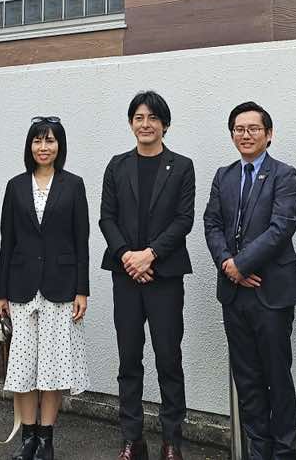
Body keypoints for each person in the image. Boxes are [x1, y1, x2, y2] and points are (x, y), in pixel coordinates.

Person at [202, 102, 296, 460]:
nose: (245, 135)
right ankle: (258, 453)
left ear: (269, 134)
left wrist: (241, 265)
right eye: (239, 129)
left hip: (271, 292)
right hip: (234, 294)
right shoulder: (224, 176)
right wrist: (227, 264)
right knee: (247, 382)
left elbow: (282, 227)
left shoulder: (285, 176)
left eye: (253, 128)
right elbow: (212, 224)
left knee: (277, 378)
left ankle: (284, 454)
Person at [98, 91, 196, 460]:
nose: (146, 124)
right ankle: (132, 439)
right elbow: (107, 217)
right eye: (139, 118)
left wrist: (150, 255)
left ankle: (172, 441)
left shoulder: (181, 166)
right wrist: (127, 256)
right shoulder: (117, 165)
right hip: (125, 276)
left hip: (164, 275)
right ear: (131, 123)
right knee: (129, 359)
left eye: (153, 118)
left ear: (164, 124)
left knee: (168, 358)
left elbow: (183, 220)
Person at [0, 117, 92, 460]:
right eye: (37, 141)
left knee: (54, 365)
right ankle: (28, 438)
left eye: (50, 141)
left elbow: (82, 241)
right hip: (21, 287)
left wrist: (82, 290)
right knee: (22, 366)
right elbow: (7, 242)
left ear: (59, 146)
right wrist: (1, 293)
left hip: (61, 287)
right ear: (30, 146)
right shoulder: (15, 186)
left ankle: (46, 439)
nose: (43, 147)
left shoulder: (73, 185)